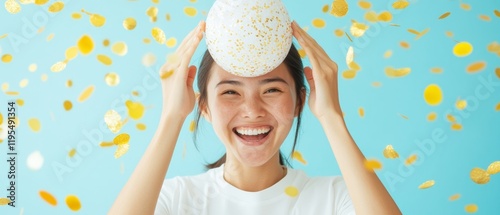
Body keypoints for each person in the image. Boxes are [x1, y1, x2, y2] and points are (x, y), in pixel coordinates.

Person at [109, 20, 402, 215]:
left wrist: (331, 116)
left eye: (272, 89)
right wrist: (171, 117)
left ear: (300, 100)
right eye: (230, 93)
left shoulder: (333, 198)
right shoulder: (176, 199)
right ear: (205, 108)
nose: (252, 110)